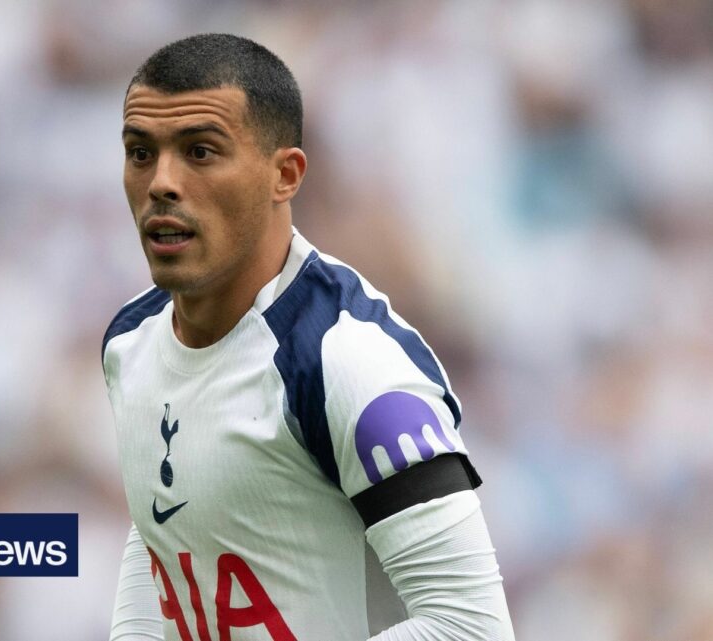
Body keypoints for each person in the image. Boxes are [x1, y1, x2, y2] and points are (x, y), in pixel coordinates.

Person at [102, 34, 515, 640]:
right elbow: (163, 527)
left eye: (200, 151)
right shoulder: (129, 343)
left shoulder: (346, 363)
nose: (161, 182)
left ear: (285, 175)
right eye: (141, 153)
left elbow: (471, 627)